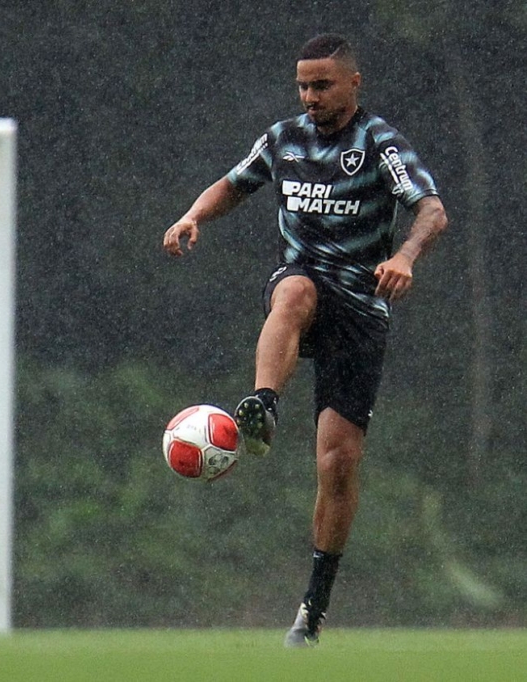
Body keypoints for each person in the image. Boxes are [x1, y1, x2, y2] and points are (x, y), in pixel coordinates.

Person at [162, 33, 448, 647]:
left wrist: (404, 254)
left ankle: (312, 610)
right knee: (293, 293)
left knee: (338, 463)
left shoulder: (379, 143)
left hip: (363, 307)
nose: (310, 96)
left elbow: (431, 209)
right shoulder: (283, 138)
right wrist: (192, 214)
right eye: (302, 86)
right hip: (305, 285)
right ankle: (263, 403)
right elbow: (235, 183)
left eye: (321, 85)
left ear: (353, 83)